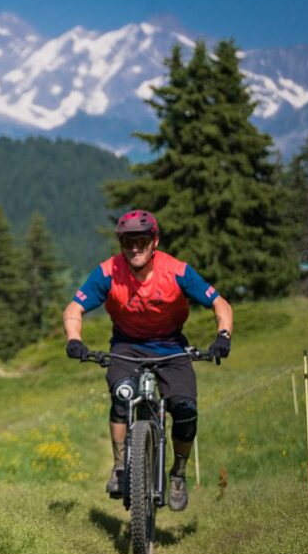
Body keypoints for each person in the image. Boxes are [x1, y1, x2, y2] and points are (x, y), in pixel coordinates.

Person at [61, 210, 233, 511]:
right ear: (121, 244)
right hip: (126, 347)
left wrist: (223, 336)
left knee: (185, 410)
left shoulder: (176, 271)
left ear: (155, 242)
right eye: (128, 242)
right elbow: (74, 308)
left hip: (171, 347)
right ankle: (120, 466)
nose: (135, 248)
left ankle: (178, 472)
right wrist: (74, 339)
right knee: (121, 395)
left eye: (141, 241)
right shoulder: (108, 272)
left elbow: (220, 304)